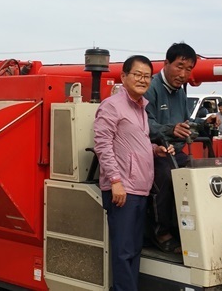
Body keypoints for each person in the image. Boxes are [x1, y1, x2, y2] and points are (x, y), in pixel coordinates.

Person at [94, 55, 173, 291]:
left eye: (147, 76)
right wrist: (115, 181)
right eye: (137, 74)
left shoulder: (141, 107)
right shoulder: (112, 106)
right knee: (123, 252)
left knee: (133, 251)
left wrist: (155, 150)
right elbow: (102, 144)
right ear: (124, 76)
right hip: (123, 190)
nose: (142, 80)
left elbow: (133, 143)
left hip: (140, 188)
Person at [143, 42, 217, 254]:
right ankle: (160, 232)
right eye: (179, 66)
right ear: (166, 63)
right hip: (153, 151)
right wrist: (170, 130)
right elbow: (144, 125)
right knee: (167, 175)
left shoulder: (179, 92)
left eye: (189, 69)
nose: (184, 74)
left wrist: (204, 123)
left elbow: (184, 124)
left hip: (175, 151)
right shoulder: (151, 88)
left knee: (198, 173)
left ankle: (189, 229)